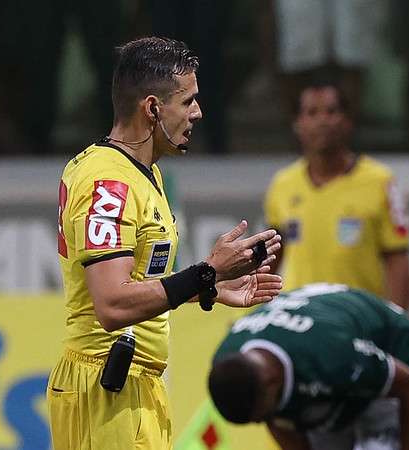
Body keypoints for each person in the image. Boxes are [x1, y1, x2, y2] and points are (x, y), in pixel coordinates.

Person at [47, 37, 283, 449]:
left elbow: (137, 279)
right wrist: (206, 271)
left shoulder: (142, 173)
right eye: (188, 101)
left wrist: (210, 288)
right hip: (104, 392)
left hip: (132, 387)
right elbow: (112, 304)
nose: (198, 112)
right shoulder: (108, 184)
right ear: (153, 108)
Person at [208, 283, 409, 450]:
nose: (261, 422)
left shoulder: (332, 354)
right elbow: (277, 422)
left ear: (271, 382)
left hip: (392, 350)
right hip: (327, 380)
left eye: (260, 416)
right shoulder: (228, 361)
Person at [264, 81, 409, 309]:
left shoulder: (380, 181)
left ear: (347, 121)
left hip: (358, 319)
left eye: (331, 112)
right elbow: (272, 258)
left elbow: (398, 260)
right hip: (297, 318)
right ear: (297, 123)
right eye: (312, 113)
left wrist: (397, 323)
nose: (322, 120)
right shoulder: (282, 184)